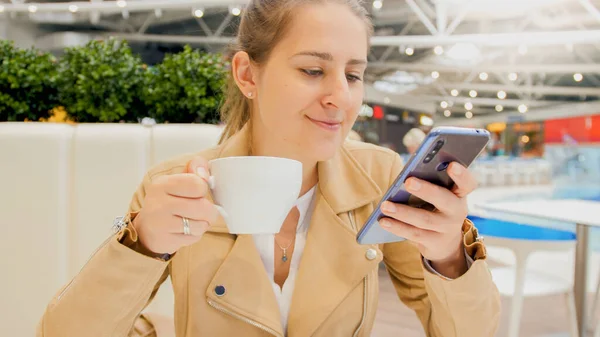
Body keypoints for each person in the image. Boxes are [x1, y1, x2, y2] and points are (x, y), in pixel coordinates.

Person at [38, 1, 500, 336]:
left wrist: (449, 259)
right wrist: (141, 244)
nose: (341, 96)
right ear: (247, 75)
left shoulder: (379, 177)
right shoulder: (177, 186)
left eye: (353, 74)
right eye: (313, 71)